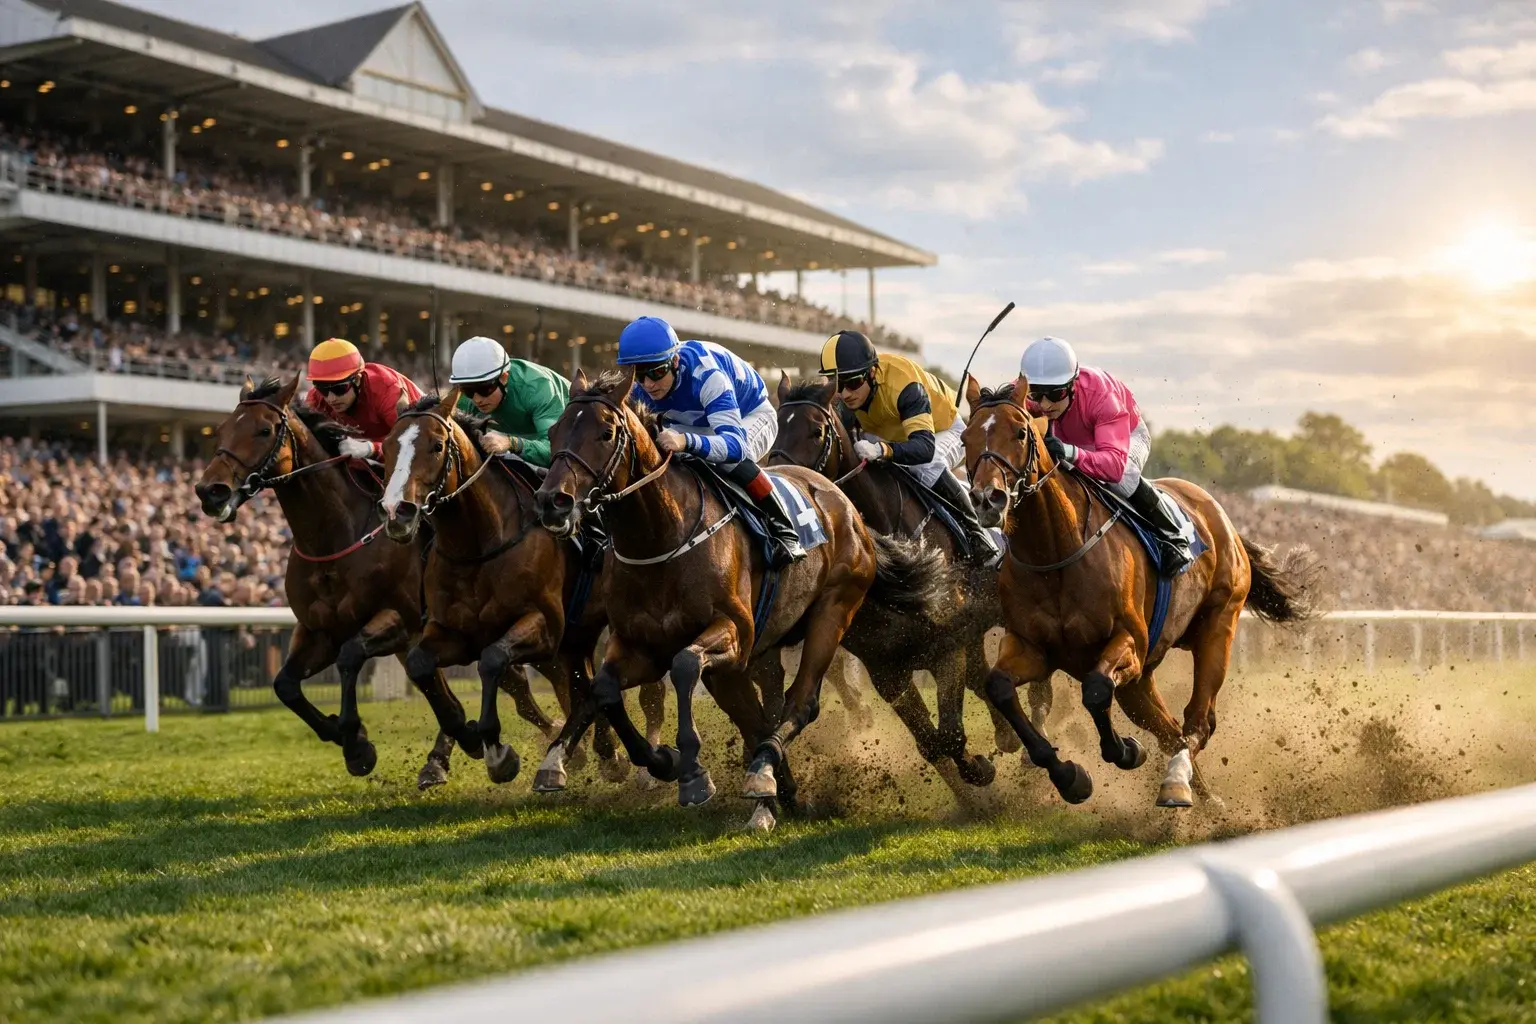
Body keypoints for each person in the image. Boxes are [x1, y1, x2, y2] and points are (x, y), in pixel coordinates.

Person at [617, 316, 805, 568]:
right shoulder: (639, 388)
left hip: (750, 415)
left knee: (730, 460)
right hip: (694, 421)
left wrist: (686, 441)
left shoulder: (707, 376)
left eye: (657, 372)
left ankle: (784, 529)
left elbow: (734, 446)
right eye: (639, 375)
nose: (649, 384)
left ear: (674, 361)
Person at [819, 329, 1001, 567]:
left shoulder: (904, 385)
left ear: (872, 372)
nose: (844, 394)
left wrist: (884, 451)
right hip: (891, 431)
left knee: (926, 465)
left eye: (853, 383)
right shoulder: (844, 396)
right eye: (837, 385)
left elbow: (924, 448)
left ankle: (976, 535)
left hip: (941, 430)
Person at [1018, 335, 1195, 572]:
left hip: (1124, 440)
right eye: (1037, 395)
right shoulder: (1027, 392)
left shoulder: (1101, 395)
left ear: (1072, 384)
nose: (1046, 404)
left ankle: (1173, 535)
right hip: (1068, 438)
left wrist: (1070, 453)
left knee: (1123, 478)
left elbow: (1113, 466)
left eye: (1056, 394)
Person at [449, 336, 569, 467]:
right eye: (468, 391)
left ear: (504, 378)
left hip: (575, 436)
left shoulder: (538, 388)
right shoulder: (466, 399)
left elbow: (557, 451)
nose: (477, 400)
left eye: (484, 389)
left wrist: (511, 443)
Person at [302, 338, 422, 461]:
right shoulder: (316, 398)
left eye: (339, 389)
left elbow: (415, 445)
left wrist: (372, 449)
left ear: (357, 380)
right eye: (323, 389)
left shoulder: (386, 390)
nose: (331, 398)